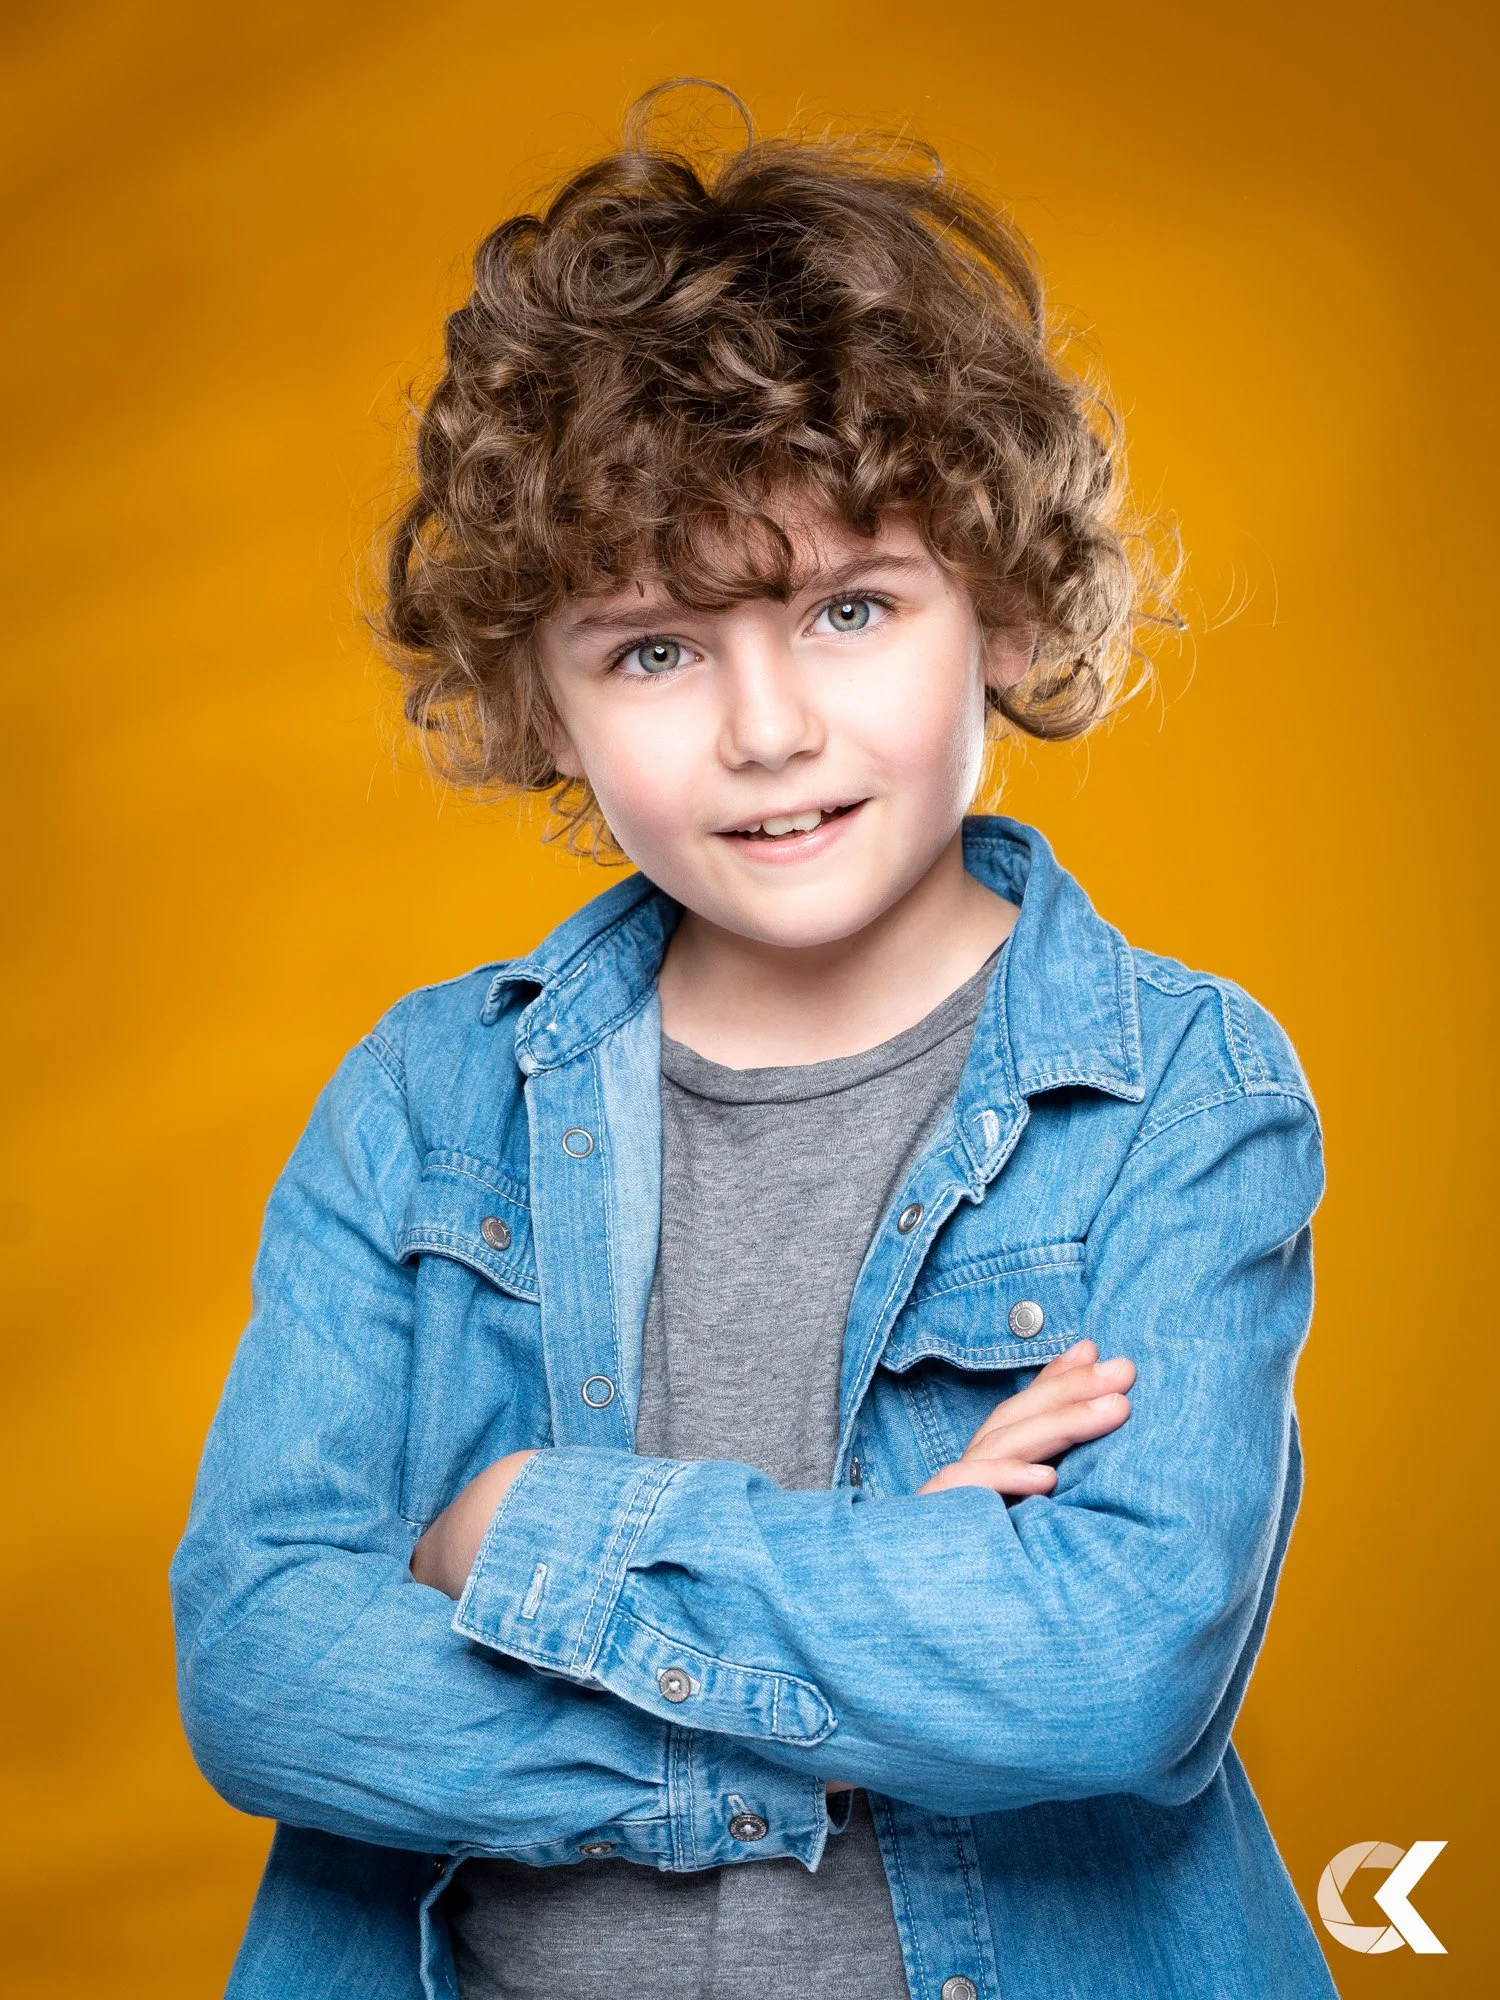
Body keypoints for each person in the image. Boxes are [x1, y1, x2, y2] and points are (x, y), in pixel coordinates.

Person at [171, 83, 1337, 2000]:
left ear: (1009, 616)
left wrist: (527, 1534)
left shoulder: (1175, 1093)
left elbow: (1106, 1667)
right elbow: (268, 1673)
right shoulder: (424, 1103)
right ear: (535, 699)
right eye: (653, 649)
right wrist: (860, 1639)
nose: (765, 728)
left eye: (851, 609)